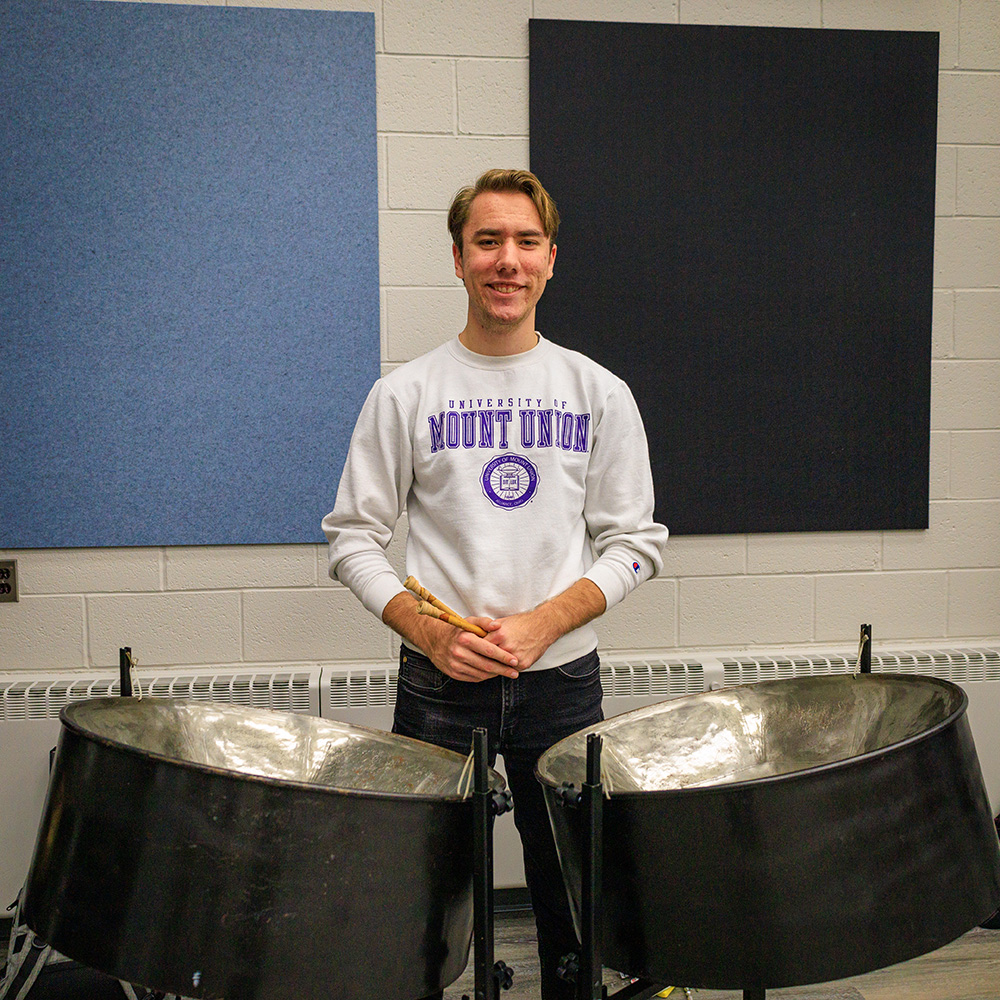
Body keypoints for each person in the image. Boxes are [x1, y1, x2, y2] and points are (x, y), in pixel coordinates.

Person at [322, 168, 669, 999]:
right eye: (487, 241)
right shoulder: (403, 394)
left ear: (552, 260)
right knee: (426, 911)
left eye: (523, 242)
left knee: (571, 908)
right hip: (441, 684)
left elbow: (634, 543)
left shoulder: (599, 393)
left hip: (562, 683)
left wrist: (549, 620)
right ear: (457, 258)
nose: (505, 260)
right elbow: (353, 540)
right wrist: (430, 630)